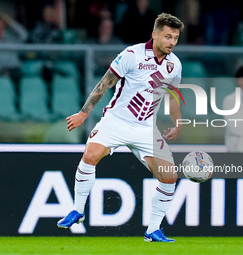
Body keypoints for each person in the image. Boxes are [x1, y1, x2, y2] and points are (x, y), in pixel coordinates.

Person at [57, 13, 184, 242]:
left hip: (146, 127)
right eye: (168, 36)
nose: (172, 42)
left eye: (175, 37)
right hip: (117, 121)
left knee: (169, 177)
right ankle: (77, 210)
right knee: (90, 154)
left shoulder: (174, 65)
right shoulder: (132, 55)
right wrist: (83, 113)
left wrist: (178, 123)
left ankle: (152, 230)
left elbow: (173, 96)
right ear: (154, 35)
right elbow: (104, 84)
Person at [0, 14, 28, 82]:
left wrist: (10, 21)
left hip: (16, 71)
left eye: (1, 27)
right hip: (1, 75)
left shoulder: (11, 39)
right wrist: (0, 71)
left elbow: (24, 35)